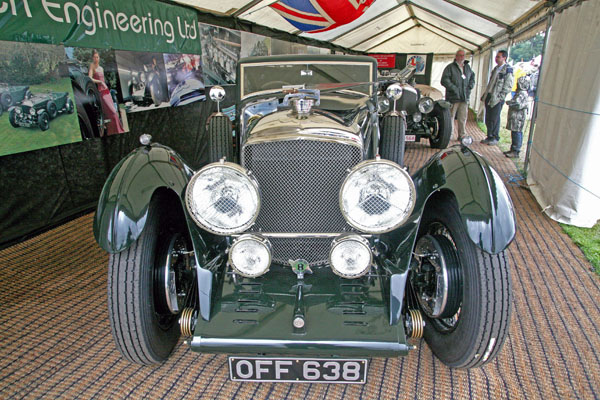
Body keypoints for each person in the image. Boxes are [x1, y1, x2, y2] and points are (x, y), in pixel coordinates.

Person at [441, 49, 475, 141]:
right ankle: (450, 134)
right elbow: (444, 80)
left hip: (464, 97)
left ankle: (462, 135)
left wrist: (470, 87)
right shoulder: (450, 67)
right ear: (456, 56)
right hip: (453, 97)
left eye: (463, 55)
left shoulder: (467, 67)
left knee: (463, 117)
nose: (461, 57)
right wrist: (454, 89)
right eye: (459, 55)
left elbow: (472, 77)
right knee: (451, 117)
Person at [480, 50, 513, 145]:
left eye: (498, 57)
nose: (496, 58)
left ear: (504, 58)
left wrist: (500, 97)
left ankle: (495, 137)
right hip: (490, 95)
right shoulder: (496, 69)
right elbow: (491, 83)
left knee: (495, 118)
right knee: (488, 117)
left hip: (497, 98)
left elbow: (508, 86)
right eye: (496, 57)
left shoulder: (507, 70)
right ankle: (489, 135)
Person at [89, 49, 124, 135]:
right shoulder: (92, 66)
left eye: (97, 57)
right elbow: (90, 78)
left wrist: (104, 84)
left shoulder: (101, 68)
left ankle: (116, 131)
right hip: (100, 92)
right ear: (92, 58)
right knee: (112, 113)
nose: (96, 59)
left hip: (107, 92)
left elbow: (104, 79)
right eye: (94, 57)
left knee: (114, 112)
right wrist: (100, 82)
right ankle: (114, 131)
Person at [504, 75, 531, 158]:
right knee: (514, 133)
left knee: (517, 133)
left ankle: (515, 151)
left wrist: (510, 102)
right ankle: (513, 149)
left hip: (518, 118)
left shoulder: (522, 93)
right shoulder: (519, 93)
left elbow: (518, 104)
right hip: (515, 117)